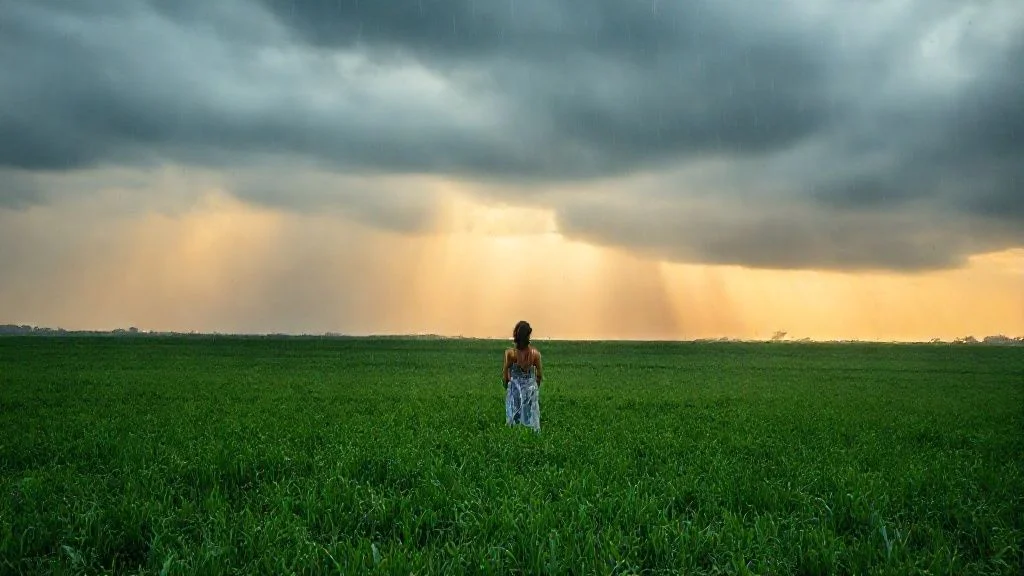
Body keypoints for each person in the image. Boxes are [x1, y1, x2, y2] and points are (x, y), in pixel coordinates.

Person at [502, 320, 543, 432]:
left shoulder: (510, 354)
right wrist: (534, 388)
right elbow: (539, 376)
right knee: (530, 416)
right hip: (530, 389)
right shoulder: (535, 354)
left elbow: (505, 375)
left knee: (514, 417)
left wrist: (508, 387)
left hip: (515, 389)